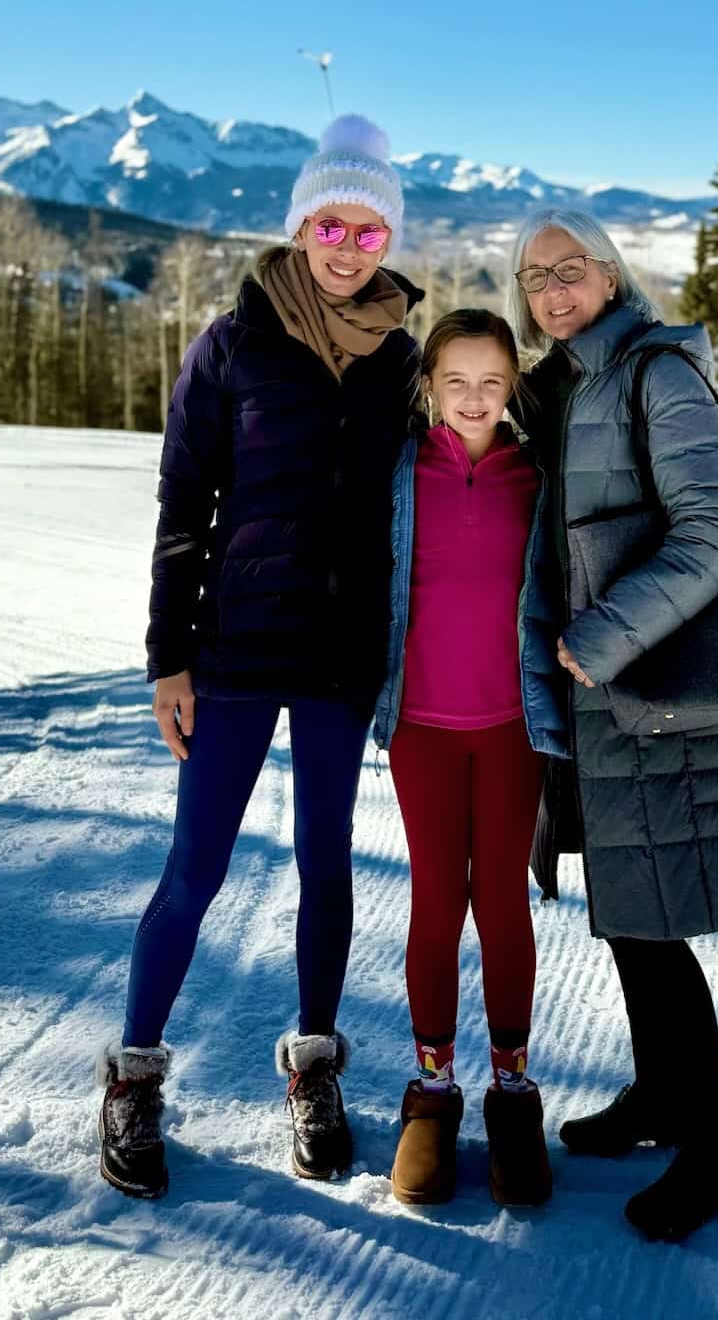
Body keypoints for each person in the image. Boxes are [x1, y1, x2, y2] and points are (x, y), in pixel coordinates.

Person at [96, 115, 422, 1200]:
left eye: (369, 231)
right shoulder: (232, 341)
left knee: (326, 863)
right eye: (330, 222)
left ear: (388, 244)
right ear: (298, 227)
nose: (346, 246)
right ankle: (135, 1076)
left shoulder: (402, 361)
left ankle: (316, 1063)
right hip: (233, 650)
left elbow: (422, 500)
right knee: (196, 867)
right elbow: (184, 502)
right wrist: (167, 656)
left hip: (337, 658)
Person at [508, 208, 718, 1244]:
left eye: (570, 268)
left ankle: (717, 1144)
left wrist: (608, 631)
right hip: (602, 696)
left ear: (611, 272)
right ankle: (662, 1096)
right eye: (534, 275)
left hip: (655, 684)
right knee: (630, 904)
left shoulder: (654, 375)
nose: (552, 288)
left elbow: (717, 525)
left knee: (660, 914)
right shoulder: (562, 387)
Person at [372, 309, 567, 1208]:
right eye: (457, 380)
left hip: (511, 724)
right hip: (422, 723)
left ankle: (514, 1092)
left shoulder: (538, 474)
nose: (475, 397)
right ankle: (432, 1091)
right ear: (429, 384)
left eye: (493, 381)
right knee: (436, 899)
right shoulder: (402, 472)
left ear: (514, 383)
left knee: (502, 903)